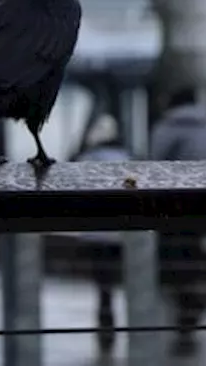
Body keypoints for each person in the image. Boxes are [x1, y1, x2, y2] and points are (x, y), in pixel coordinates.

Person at [148, 87, 206, 356]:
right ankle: (190, 308)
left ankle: (186, 307)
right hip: (204, 213)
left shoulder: (166, 129)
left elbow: (153, 167)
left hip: (173, 213)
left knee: (171, 264)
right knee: (191, 259)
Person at [72, 114, 133, 356]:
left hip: (95, 234)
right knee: (113, 280)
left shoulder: (86, 158)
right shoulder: (125, 159)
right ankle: (111, 323)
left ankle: (105, 324)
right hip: (118, 234)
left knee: (102, 284)